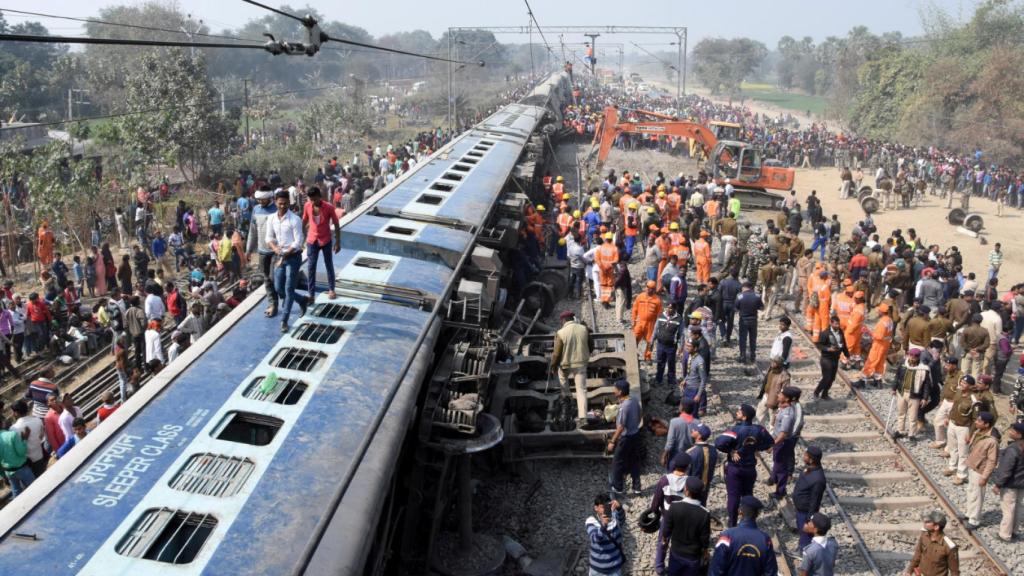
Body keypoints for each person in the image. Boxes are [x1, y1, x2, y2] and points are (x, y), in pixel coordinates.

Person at [715, 404, 773, 527]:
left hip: (735, 469)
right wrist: (756, 447)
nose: (737, 413)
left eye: (739, 412)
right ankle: (748, 521)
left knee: (733, 496)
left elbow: (718, 443)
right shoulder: (759, 429)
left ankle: (732, 524)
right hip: (750, 469)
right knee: (747, 495)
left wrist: (731, 451)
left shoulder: (735, 430)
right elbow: (770, 442)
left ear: (745, 417)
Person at [266, 189, 308, 332]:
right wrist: (275, 248)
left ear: (289, 203)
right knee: (279, 288)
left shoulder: (295, 220)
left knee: (289, 289)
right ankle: (302, 300)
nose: (282, 206)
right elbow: (268, 238)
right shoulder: (271, 219)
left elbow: (298, 241)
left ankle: (284, 320)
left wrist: (283, 255)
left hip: (293, 257)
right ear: (276, 203)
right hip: (280, 256)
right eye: (280, 203)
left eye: (285, 203)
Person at [708, 495, 778, 576]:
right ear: (757, 514)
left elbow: (716, 569)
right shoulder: (765, 540)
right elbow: (771, 572)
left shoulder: (727, 537)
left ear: (739, 511)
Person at [651, 452, 692, 575]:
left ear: (674, 465)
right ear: (687, 466)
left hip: (667, 517)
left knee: (662, 542)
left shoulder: (664, 480)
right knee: (679, 544)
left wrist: (655, 511)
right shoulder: (690, 482)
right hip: (684, 519)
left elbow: (656, 500)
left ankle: (659, 566)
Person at [663, 477, 711, 576]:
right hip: (693, 556)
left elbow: (667, 528)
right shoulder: (704, 513)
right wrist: (705, 551)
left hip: (676, 552)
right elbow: (704, 537)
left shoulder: (675, 506)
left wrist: (665, 540)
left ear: (687, 491)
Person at [302, 186, 341, 301]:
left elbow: (336, 224)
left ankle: (331, 289)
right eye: (311, 199)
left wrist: (338, 242)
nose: (313, 202)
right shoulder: (307, 206)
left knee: (329, 265)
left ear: (320, 197)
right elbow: (304, 221)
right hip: (312, 240)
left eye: (315, 199)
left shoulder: (329, 207)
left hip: (326, 240)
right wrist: (301, 237)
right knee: (311, 267)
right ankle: (311, 294)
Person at [551, 311, 591, 424]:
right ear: (572, 318)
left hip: (566, 365)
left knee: (562, 378)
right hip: (581, 364)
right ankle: (583, 418)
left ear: (563, 320)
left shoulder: (561, 333)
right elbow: (591, 345)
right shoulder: (584, 329)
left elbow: (556, 354)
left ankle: (567, 398)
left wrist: (553, 366)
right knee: (581, 390)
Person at [248, 186, 280, 317]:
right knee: (267, 278)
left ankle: (289, 299)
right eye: (259, 199)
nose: (260, 202)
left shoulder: (277, 209)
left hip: (276, 251)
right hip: (262, 251)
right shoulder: (256, 210)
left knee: (274, 278)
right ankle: (273, 304)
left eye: (263, 199)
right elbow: (252, 231)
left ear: (269, 197)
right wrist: (248, 250)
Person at [608, 380, 643, 496]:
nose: (614, 391)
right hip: (636, 435)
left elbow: (621, 427)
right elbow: (639, 416)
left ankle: (618, 487)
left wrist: (612, 441)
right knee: (634, 461)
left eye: (615, 389)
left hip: (626, 438)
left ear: (620, 392)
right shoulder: (634, 401)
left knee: (617, 461)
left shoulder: (624, 406)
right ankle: (637, 487)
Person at [964, 411, 998, 529]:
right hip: (972, 467)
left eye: (979, 421)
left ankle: (974, 520)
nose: (976, 422)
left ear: (986, 424)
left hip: (980, 471)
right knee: (971, 491)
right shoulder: (978, 432)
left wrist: (984, 477)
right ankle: (968, 514)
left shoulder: (992, 441)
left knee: (978, 495)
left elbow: (992, 461)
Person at [992, 422, 1024, 542]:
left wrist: (998, 484)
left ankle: (1005, 534)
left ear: (1019, 435)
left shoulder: (1013, 449)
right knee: (1018, 508)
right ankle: (1014, 531)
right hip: (1022, 484)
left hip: (1011, 484)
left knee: (1008, 509)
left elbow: (1006, 469)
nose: (1010, 431)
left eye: (1013, 430)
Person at [891, 348, 933, 440]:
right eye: (911, 355)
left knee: (913, 416)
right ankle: (900, 430)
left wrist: (925, 398)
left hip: (915, 395)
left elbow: (926, 385)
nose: (912, 357)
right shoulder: (903, 364)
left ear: (918, 357)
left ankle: (911, 434)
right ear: (908, 355)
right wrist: (894, 388)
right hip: (902, 392)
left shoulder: (924, 369)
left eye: (915, 356)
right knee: (901, 413)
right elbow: (897, 377)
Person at [771, 387, 804, 501]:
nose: (778, 395)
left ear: (787, 398)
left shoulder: (787, 414)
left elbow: (783, 434)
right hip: (780, 441)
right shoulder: (782, 408)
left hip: (782, 443)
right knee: (777, 462)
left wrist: (773, 444)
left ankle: (780, 491)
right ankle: (774, 479)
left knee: (781, 467)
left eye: (781, 394)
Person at [906, 511, 959, 576]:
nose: (925, 523)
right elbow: (917, 554)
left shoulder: (949, 546)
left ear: (936, 527)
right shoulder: (924, 535)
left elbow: (954, 571)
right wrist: (909, 571)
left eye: (928, 522)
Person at [855, 302, 894, 388]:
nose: (877, 312)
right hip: (885, 345)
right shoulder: (889, 320)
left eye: (878, 311)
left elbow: (879, 336)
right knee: (880, 363)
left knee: (871, 362)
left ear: (882, 312)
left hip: (878, 345)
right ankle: (878, 381)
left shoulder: (882, 322)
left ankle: (862, 381)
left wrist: (869, 332)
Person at [586, 493, 625, 576]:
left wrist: (619, 508)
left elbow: (622, 520)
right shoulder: (591, 521)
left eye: (607, 506)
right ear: (596, 508)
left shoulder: (615, 518)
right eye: (603, 507)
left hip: (614, 568)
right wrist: (603, 525)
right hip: (597, 570)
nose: (606, 509)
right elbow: (595, 538)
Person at [815, 315, 849, 400]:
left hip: (835, 358)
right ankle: (816, 392)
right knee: (827, 377)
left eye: (838, 324)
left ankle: (825, 394)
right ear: (831, 323)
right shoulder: (825, 333)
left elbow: (844, 344)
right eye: (836, 324)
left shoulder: (840, 332)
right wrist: (827, 349)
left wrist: (847, 355)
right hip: (826, 358)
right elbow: (819, 345)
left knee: (832, 378)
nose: (837, 326)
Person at [10, 400, 46, 478]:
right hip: (40, 456)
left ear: (16, 413)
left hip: (27, 463)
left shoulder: (14, 429)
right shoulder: (37, 420)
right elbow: (41, 436)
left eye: (12, 412)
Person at [653, 303, 684, 387]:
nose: (669, 310)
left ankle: (671, 381)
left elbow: (681, 335)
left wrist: (681, 347)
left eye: (671, 308)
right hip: (660, 345)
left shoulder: (679, 319)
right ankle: (658, 380)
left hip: (671, 347)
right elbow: (655, 330)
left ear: (675, 309)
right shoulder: (660, 316)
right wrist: (651, 342)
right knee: (660, 363)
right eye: (668, 308)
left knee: (671, 364)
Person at [632, 280, 663, 361]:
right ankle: (633, 354)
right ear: (646, 287)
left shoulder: (657, 300)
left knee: (650, 341)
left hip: (651, 324)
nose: (650, 290)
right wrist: (634, 320)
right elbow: (634, 309)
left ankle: (647, 356)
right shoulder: (640, 297)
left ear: (654, 289)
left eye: (652, 288)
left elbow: (659, 314)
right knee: (634, 338)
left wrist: (658, 325)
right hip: (639, 322)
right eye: (648, 287)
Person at [755, 355, 790, 427]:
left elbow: (785, 391)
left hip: (775, 400)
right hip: (766, 395)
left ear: (779, 364)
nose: (772, 363)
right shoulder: (771, 369)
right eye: (772, 361)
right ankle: (760, 430)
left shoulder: (784, 375)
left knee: (773, 420)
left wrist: (781, 403)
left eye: (774, 362)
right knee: (759, 414)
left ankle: (771, 435)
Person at [0, 425, 34, 497]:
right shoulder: (12, 435)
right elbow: (21, 452)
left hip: (9, 472)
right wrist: (24, 440)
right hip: (22, 469)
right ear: (2, 423)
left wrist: (3, 475)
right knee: (34, 488)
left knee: (17, 494)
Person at [735, 281, 764, 364]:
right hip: (753, 320)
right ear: (751, 288)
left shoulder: (740, 296)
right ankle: (752, 356)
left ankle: (742, 356)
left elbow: (736, 308)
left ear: (744, 287)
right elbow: (762, 308)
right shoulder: (757, 296)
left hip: (744, 320)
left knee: (743, 339)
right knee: (753, 339)